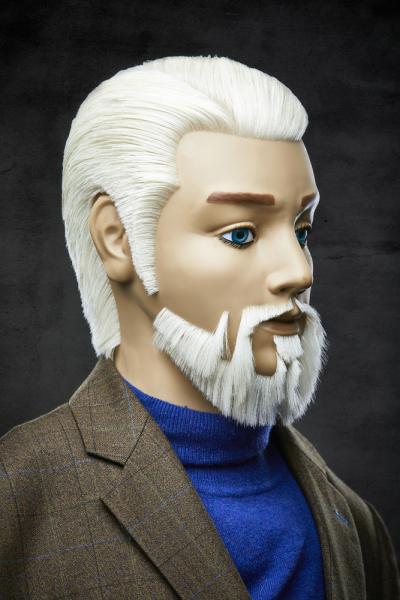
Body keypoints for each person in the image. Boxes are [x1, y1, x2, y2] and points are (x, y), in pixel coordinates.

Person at [0, 56, 398, 599]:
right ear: (118, 238)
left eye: (302, 230)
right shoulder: (18, 500)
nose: (300, 272)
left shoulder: (354, 524)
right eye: (240, 234)